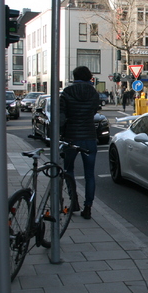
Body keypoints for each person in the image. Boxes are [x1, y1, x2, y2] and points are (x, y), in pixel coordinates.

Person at [59, 66, 100, 219]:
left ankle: (74, 200)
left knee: (68, 170)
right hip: (89, 136)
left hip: (71, 137)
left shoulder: (67, 92)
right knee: (89, 174)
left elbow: (62, 116)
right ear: (89, 77)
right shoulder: (93, 93)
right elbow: (94, 112)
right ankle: (88, 207)